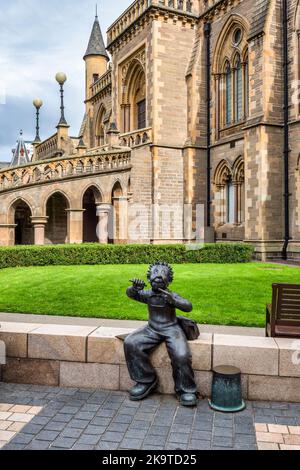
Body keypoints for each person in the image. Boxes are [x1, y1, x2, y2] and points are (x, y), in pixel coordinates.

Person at [124, 262, 198, 407]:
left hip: (172, 330)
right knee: (131, 343)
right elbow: (131, 295)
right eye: (155, 272)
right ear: (149, 277)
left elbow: (188, 306)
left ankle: (185, 389)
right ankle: (146, 380)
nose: (158, 274)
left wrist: (174, 301)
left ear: (169, 280)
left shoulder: (171, 295)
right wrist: (134, 288)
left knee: (181, 355)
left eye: (163, 272)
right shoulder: (147, 294)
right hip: (152, 330)